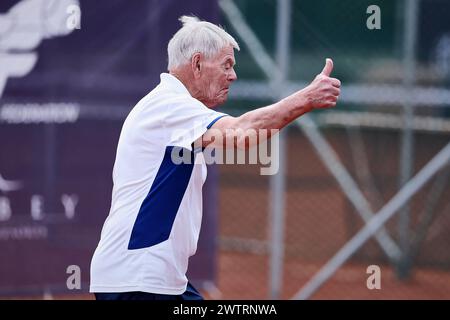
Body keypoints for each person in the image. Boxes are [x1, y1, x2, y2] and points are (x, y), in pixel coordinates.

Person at [90, 15, 340, 300]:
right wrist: (305, 98)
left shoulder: (174, 107)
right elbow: (242, 133)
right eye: (227, 65)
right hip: (137, 278)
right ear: (197, 64)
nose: (233, 75)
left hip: (155, 278)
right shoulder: (169, 106)